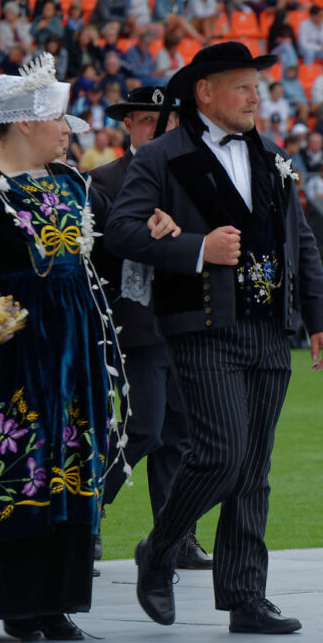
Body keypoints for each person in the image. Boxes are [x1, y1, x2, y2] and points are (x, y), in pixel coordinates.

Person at [0, 53, 178, 641]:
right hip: (7, 346)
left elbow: (113, 242)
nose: (69, 128)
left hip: (72, 348)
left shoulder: (71, 182)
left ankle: (53, 600)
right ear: (27, 122)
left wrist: (154, 227)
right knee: (16, 464)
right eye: (61, 118)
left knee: (66, 468)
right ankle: (13, 599)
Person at [105, 42, 323, 635]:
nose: (255, 96)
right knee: (222, 455)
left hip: (268, 327)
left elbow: (299, 240)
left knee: (254, 467)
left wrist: (319, 315)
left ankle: (244, 597)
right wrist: (195, 250)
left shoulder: (272, 155)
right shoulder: (159, 157)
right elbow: (120, 231)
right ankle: (161, 546)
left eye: (256, 87)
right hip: (199, 325)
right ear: (205, 93)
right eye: (241, 86)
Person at [90, 86, 214, 571]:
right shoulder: (101, 180)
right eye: (146, 120)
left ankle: (176, 536)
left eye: (166, 120)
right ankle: (84, 517)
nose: (158, 129)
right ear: (128, 126)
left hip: (185, 322)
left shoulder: (195, 178)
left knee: (180, 435)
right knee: (140, 429)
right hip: (133, 325)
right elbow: (99, 253)